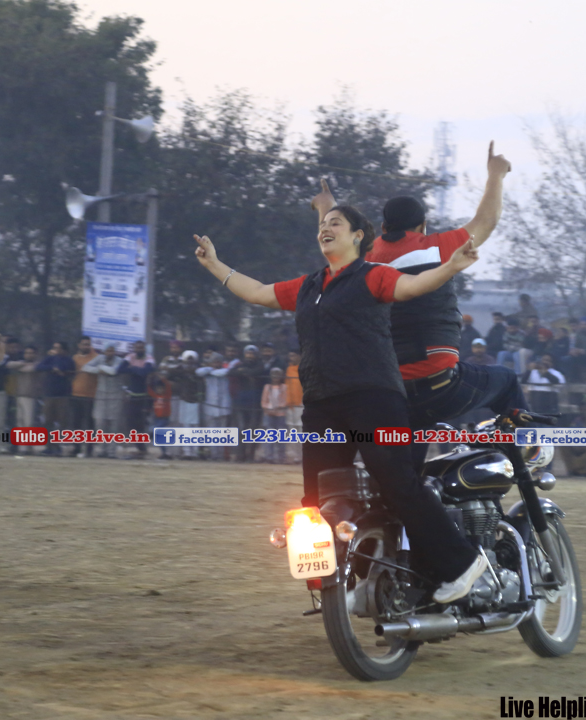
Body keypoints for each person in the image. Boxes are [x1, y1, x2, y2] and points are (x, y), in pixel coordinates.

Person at [192, 203, 487, 603]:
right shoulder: (309, 286)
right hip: (321, 406)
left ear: (357, 236)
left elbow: (413, 286)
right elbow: (259, 293)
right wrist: (214, 265)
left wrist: (451, 266)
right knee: (316, 500)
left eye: (335, 223)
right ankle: (349, 581)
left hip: (374, 399)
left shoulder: (373, 276)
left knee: (397, 484)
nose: (325, 229)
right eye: (322, 224)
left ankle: (461, 563)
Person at [310, 144, 529, 473]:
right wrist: (496, 174)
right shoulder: (436, 248)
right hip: (439, 384)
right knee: (507, 380)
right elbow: (487, 220)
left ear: (383, 228)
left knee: (406, 480)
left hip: (385, 392)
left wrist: (325, 206)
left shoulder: (360, 259)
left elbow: (332, 238)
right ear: (423, 226)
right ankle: (528, 454)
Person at [84, 344, 124, 458]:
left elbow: (113, 371)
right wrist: (99, 369)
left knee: (113, 424)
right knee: (100, 422)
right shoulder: (99, 358)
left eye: (112, 351)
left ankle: (111, 452)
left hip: (115, 395)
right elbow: (85, 367)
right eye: (108, 351)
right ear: (104, 351)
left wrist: (101, 368)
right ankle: (101, 450)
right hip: (101, 394)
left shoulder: (119, 361)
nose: (110, 353)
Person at [36, 341, 75, 456]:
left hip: (62, 395)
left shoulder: (68, 360)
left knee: (61, 421)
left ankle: (58, 446)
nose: (55, 350)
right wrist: (52, 367)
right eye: (54, 347)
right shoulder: (50, 359)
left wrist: (57, 365)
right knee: (48, 421)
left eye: (58, 348)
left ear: (64, 350)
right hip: (49, 394)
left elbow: (65, 368)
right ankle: (48, 446)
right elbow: (39, 367)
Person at [119, 340, 154, 459]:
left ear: (144, 349)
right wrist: (137, 370)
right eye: (137, 348)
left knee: (141, 424)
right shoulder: (130, 356)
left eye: (141, 348)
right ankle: (139, 448)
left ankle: (143, 449)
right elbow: (120, 369)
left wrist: (132, 368)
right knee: (131, 423)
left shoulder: (149, 358)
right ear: (134, 349)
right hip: (132, 396)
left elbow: (145, 372)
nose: (139, 350)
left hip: (145, 396)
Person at [229, 345, 264, 462]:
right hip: (242, 399)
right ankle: (241, 454)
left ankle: (251, 454)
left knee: (253, 428)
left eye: (252, 354)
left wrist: (243, 372)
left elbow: (257, 371)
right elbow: (232, 372)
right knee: (242, 427)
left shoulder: (260, 364)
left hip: (255, 399)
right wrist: (246, 373)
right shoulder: (240, 364)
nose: (249, 356)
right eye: (247, 353)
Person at [6, 346, 43, 451]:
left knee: (28, 422)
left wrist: (24, 367)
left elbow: (31, 369)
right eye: (27, 353)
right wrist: (23, 364)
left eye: (31, 353)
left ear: (35, 354)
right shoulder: (20, 363)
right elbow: (8, 365)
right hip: (18, 395)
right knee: (20, 422)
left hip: (30, 397)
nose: (28, 355)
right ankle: (22, 447)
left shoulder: (38, 365)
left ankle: (28, 445)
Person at [197, 350, 232, 460]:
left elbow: (222, 373)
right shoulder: (206, 371)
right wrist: (210, 369)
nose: (216, 363)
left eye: (218, 362)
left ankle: (220, 455)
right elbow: (198, 372)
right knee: (212, 432)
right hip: (210, 406)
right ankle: (214, 455)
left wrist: (211, 371)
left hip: (223, 406)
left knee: (222, 432)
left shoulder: (226, 371)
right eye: (214, 362)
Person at [168, 350, 203, 459]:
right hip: (184, 400)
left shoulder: (199, 371)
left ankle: (195, 452)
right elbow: (170, 375)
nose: (190, 362)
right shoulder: (181, 371)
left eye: (192, 360)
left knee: (195, 428)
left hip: (195, 401)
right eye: (188, 360)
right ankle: (187, 452)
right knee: (185, 426)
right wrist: (182, 369)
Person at [70, 336, 98, 459]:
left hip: (91, 395)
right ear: (79, 345)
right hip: (76, 394)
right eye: (84, 344)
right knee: (76, 423)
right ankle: (76, 448)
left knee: (90, 424)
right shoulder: (74, 358)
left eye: (88, 344)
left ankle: (89, 449)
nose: (86, 346)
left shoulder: (96, 357)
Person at [261, 367, 289, 463]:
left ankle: (281, 457)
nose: (275, 376)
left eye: (278, 374)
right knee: (269, 436)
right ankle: (269, 457)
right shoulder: (267, 387)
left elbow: (285, 400)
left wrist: (278, 407)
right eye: (273, 374)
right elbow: (264, 400)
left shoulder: (284, 387)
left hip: (280, 414)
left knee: (281, 436)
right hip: (268, 414)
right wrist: (268, 408)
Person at [148, 370, 172, 459]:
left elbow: (168, 387)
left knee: (155, 430)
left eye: (161, 389)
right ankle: (164, 452)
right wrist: (149, 381)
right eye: (158, 389)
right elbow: (149, 390)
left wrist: (163, 380)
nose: (160, 390)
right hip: (157, 418)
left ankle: (151, 434)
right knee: (159, 436)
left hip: (164, 418)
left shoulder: (166, 396)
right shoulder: (156, 396)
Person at [284, 349, 304, 463]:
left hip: (301, 404)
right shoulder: (289, 369)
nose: (291, 358)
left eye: (293, 356)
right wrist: (287, 401)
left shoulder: (304, 368)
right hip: (290, 405)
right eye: (290, 356)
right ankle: (295, 455)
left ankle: (303, 454)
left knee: (301, 429)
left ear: (299, 356)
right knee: (291, 430)